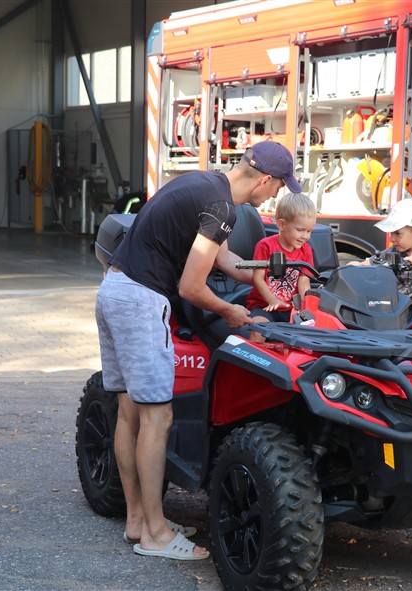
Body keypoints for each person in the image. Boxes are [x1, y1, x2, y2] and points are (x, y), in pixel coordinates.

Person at [95, 141, 302, 559]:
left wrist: (268, 270)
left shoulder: (204, 185)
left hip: (113, 290)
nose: (278, 194)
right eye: (279, 186)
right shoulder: (224, 208)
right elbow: (191, 287)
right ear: (264, 180)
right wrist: (231, 312)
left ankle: (138, 521)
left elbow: (224, 260)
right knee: (158, 415)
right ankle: (155, 534)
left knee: (130, 412)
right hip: (141, 301)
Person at [352, 198, 412, 320]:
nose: (392, 238)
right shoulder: (392, 252)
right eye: (390, 233)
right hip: (388, 320)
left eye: (397, 233)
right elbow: (366, 264)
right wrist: (355, 265)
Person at [245, 192, 317, 342]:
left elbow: (304, 282)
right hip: (265, 306)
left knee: (311, 333)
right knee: (259, 330)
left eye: (309, 231)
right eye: (300, 230)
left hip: (291, 309)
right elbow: (258, 279)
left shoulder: (306, 250)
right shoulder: (265, 246)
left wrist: (305, 307)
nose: (305, 236)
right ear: (282, 225)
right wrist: (272, 300)